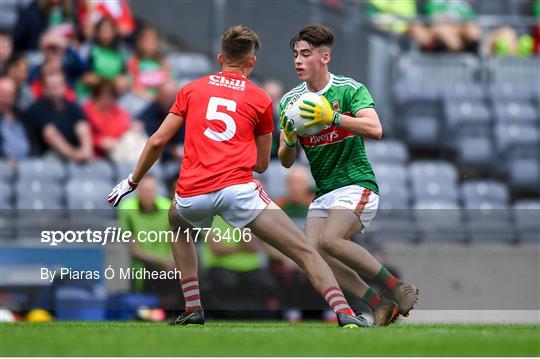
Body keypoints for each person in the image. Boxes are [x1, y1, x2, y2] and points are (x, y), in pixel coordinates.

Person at [108, 25, 370, 329]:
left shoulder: (191, 90)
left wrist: (133, 181)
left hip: (193, 193)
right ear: (252, 61)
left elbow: (156, 141)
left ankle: (193, 307)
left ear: (221, 57)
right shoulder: (260, 99)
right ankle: (345, 313)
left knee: (177, 222)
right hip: (238, 191)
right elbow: (261, 165)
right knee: (303, 249)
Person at [278, 25, 419, 326]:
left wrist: (333, 117)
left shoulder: (349, 89)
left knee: (330, 239)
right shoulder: (290, 102)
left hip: (356, 183)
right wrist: (289, 138)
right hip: (324, 191)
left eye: (306, 54)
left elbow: (375, 129)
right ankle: (378, 304)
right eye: (295, 55)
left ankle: (398, 288)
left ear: (325, 57)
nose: (298, 61)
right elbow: (285, 161)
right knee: (312, 254)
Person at [117, 176, 178, 308]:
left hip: (168, 261)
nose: (147, 194)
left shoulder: (166, 206)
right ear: (138, 191)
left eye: (150, 190)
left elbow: (175, 237)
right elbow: (132, 247)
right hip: (143, 263)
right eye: (144, 190)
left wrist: (172, 259)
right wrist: (161, 261)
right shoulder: (127, 208)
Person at [26, 71, 93, 161]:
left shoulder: (72, 107)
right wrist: (74, 155)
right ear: (44, 88)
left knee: (83, 127)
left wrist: (86, 151)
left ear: (65, 87)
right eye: (51, 87)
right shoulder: (36, 108)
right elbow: (49, 135)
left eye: (57, 86)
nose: (55, 91)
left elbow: (82, 127)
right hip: (47, 156)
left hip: (77, 154)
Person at [137, 81, 185, 161]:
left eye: (172, 97)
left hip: (179, 158)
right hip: (155, 157)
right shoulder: (150, 112)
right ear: (158, 96)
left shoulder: (183, 113)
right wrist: (172, 151)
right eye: (166, 96)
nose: (169, 100)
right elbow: (150, 141)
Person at [83, 79, 131, 158]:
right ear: (96, 96)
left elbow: (125, 127)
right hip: (95, 154)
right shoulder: (86, 111)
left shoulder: (117, 111)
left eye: (112, 96)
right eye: (106, 96)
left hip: (117, 148)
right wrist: (99, 142)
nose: (109, 100)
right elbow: (84, 135)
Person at [127, 26, 170, 100]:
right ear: (139, 42)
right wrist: (149, 97)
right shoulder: (134, 61)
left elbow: (170, 82)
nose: (149, 44)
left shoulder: (163, 63)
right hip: (140, 99)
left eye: (152, 41)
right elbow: (131, 84)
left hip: (161, 100)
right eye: (146, 41)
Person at [0, 77, 35, 161]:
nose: (5, 99)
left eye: (9, 95)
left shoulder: (23, 116)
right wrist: (7, 159)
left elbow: (34, 142)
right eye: (2, 94)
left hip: (29, 163)